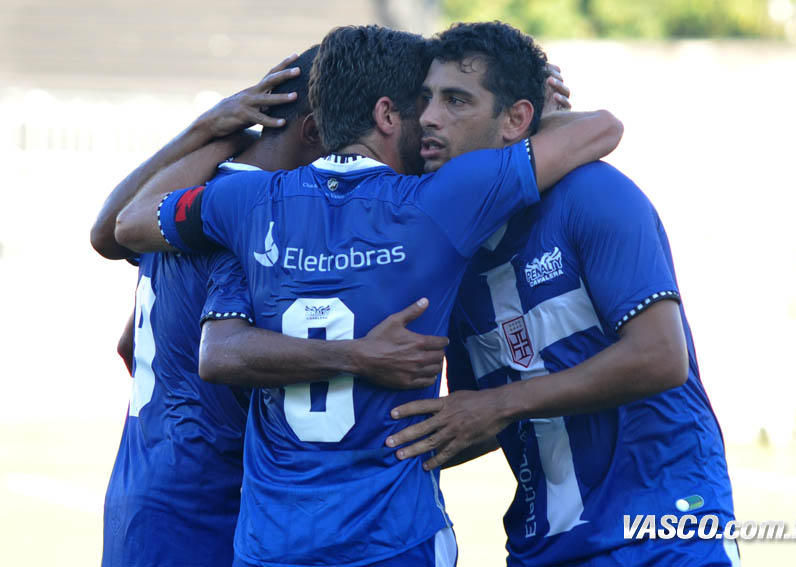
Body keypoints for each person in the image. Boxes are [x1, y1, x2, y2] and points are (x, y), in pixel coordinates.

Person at [113, 24, 622, 567]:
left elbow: (127, 223)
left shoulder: (245, 200)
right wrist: (529, 112)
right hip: (394, 541)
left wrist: (222, 129)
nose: (432, 120)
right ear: (386, 116)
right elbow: (602, 129)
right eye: (422, 104)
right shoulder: (440, 201)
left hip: (272, 544)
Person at [383, 22, 739, 567]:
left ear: (516, 120)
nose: (429, 117)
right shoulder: (450, 247)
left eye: (456, 100)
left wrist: (497, 405)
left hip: (665, 534)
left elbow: (661, 357)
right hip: (543, 547)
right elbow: (475, 414)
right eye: (425, 99)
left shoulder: (594, 194)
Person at [91, 47, 449, 567]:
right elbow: (220, 354)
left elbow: (129, 332)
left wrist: (214, 130)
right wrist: (356, 357)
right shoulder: (253, 215)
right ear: (314, 131)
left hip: (141, 486)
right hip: (208, 504)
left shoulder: (190, 199)